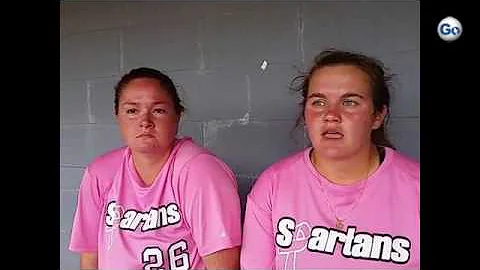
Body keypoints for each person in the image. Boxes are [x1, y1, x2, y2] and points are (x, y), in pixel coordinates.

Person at [240, 49, 419, 269]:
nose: (331, 115)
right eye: (319, 102)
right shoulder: (273, 186)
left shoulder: (414, 188)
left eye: (350, 102)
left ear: (378, 116)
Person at [69, 67, 242, 269]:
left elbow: (223, 266)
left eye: (158, 110)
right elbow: (90, 258)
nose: (145, 122)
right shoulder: (100, 173)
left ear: (177, 117)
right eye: (132, 111)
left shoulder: (200, 170)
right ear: (117, 116)